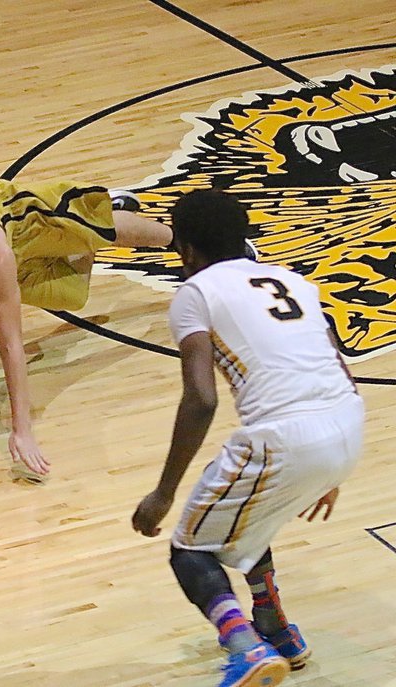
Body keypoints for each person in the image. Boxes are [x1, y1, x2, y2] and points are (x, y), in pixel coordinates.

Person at [131, 189, 364, 687]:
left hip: (285, 436)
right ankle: (276, 629)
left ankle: (244, 648)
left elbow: (201, 399)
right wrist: (329, 465)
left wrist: (163, 493)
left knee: (191, 550)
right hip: (345, 422)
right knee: (246, 516)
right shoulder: (293, 281)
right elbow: (335, 364)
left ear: (186, 250)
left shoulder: (195, 294)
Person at [0, 178, 175, 476]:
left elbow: (10, 343)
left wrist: (22, 429)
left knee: (98, 231)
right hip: (9, 262)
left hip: (22, 224)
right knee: (71, 298)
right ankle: (88, 233)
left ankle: (177, 238)